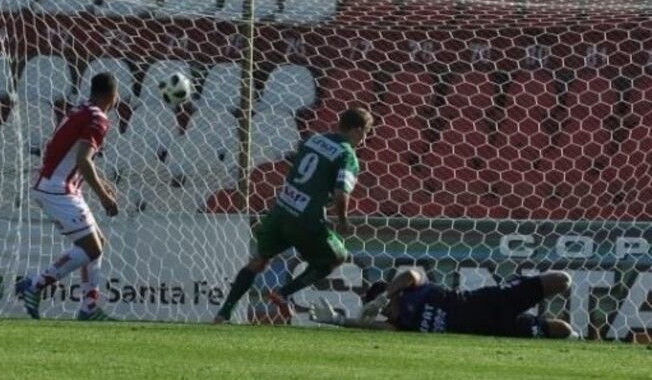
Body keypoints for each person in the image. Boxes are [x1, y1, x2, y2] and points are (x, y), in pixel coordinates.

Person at [214, 107, 373, 324]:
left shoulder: (313, 140)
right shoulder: (347, 154)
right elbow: (341, 192)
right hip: (306, 219)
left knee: (258, 261)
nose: (364, 140)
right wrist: (343, 219)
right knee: (337, 258)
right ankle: (284, 292)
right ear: (356, 130)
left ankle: (223, 313)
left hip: (281, 209)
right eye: (365, 133)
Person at [15, 72, 120, 321]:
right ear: (113, 96)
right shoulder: (98, 118)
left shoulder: (81, 110)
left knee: (97, 244)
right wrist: (104, 197)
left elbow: (72, 156)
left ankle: (89, 308)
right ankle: (35, 285)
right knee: (91, 247)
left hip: (57, 184)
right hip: (57, 189)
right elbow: (83, 161)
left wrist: (102, 183)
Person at [311, 267, 576, 339]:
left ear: (394, 295)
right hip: (495, 331)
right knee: (561, 331)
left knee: (562, 280)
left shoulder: (416, 290)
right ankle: (578, 342)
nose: (387, 313)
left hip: (490, 302)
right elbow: (376, 329)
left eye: (386, 305)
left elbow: (409, 275)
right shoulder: (400, 325)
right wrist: (339, 321)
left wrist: (382, 297)